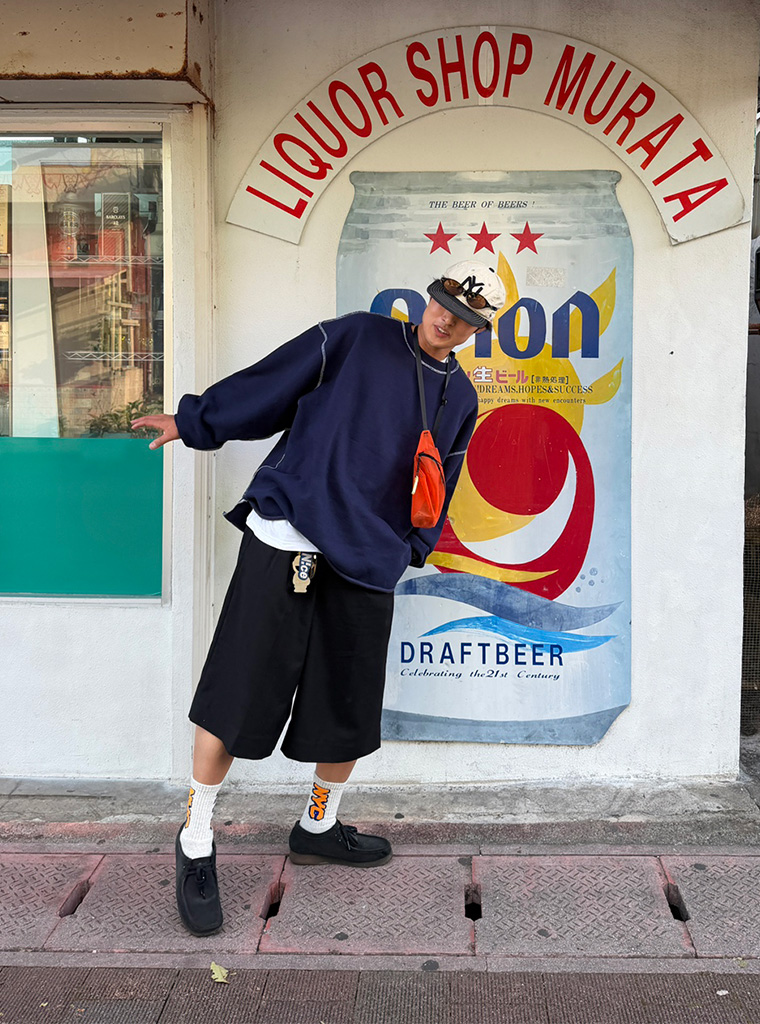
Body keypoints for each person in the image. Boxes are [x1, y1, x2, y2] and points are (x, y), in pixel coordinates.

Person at [132, 259, 506, 937]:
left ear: (478, 330)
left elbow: (444, 481)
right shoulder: (358, 336)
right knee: (239, 690)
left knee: (348, 704)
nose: (446, 320)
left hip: (367, 560)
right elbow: (273, 383)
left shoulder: (461, 397)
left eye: (464, 318)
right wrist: (195, 420)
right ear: (428, 295)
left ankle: (317, 825)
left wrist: (410, 549)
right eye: (443, 303)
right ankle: (196, 835)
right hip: (289, 535)